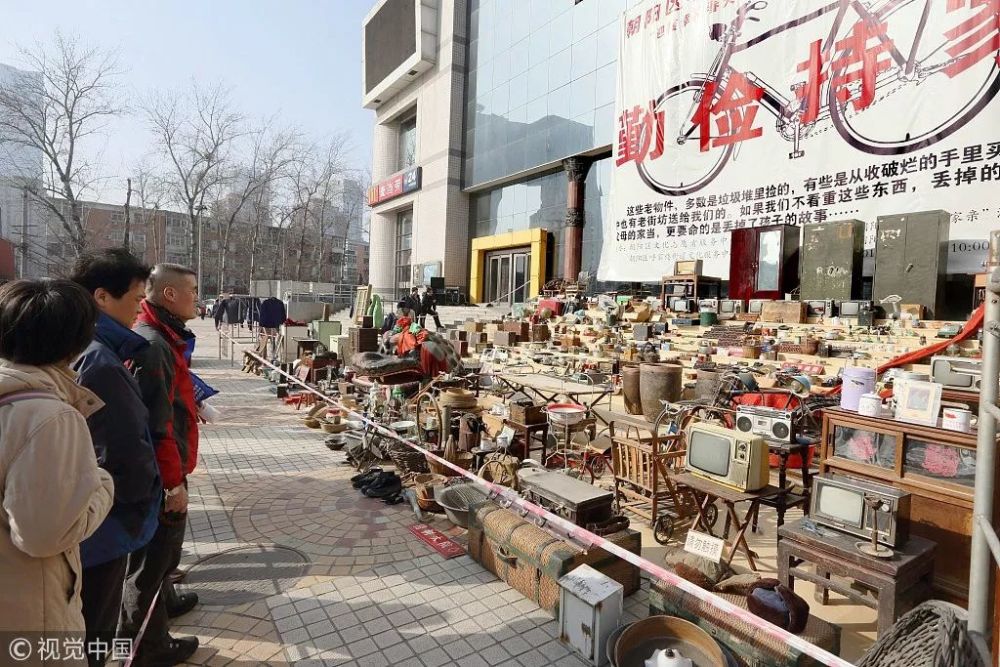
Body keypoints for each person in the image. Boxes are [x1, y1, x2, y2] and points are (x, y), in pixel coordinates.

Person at [0, 280, 114, 650]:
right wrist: (102, 485)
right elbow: (44, 535)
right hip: (32, 617)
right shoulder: (49, 417)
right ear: (74, 342)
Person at [70, 250, 163, 667]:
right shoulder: (99, 361)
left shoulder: (93, 348)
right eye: (136, 298)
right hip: (107, 524)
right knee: (96, 628)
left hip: (98, 517)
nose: (140, 308)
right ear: (102, 296)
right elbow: (123, 449)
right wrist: (141, 503)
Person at [121, 264, 201, 666]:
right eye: (193, 290)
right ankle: (148, 646)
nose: (198, 298)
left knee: (166, 552)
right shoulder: (152, 344)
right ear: (170, 295)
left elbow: (170, 400)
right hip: (161, 471)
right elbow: (156, 425)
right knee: (151, 560)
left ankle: (164, 602)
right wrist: (173, 484)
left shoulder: (163, 335)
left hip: (171, 461)